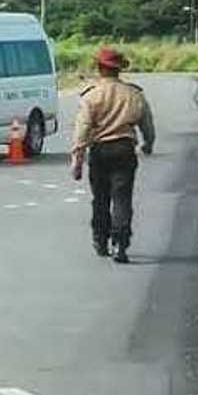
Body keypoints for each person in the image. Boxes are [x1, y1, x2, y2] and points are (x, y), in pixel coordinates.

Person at [71, 47, 155, 264]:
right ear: (119, 70)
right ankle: (121, 243)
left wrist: (77, 160)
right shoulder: (134, 94)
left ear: (99, 68)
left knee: (100, 198)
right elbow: (147, 124)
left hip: (100, 151)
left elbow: (82, 129)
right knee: (122, 197)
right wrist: (148, 144)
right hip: (125, 150)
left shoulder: (91, 95)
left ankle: (100, 239)